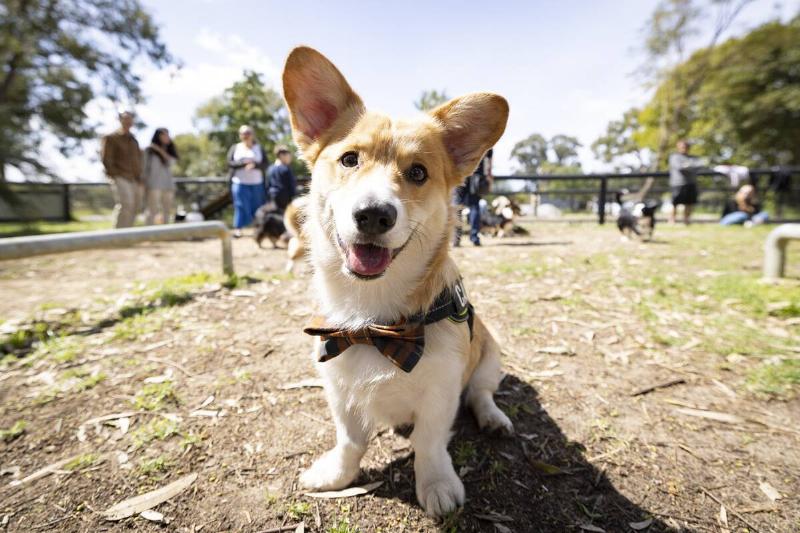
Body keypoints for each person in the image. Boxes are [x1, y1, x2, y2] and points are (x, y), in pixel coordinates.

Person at [101, 111, 143, 228]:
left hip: (135, 178)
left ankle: (128, 235)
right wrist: (114, 174)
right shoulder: (111, 138)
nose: (128, 122)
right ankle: (118, 235)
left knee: (135, 206)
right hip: (120, 176)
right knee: (126, 204)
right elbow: (106, 159)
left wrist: (140, 177)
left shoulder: (133, 140)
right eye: (126, 119)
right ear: (120, 120)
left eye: (130, 119)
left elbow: (138, 160)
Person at [227, 125, 268, 237]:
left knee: (257, 206)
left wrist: (254, 165)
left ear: (252, 134)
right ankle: (238, 229)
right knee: (240, 205)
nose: (246, 135)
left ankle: (257, 228)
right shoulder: (235, 147)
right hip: (239, 182)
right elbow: (230, 163)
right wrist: (243, 164)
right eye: (243, 133)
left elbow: (265, 164)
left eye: (248, 133)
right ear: (240, 135)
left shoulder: (259, 148)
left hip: (257, 183)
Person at [454, 148, 493, 246]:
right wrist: (488, 176)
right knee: (474, 206)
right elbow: (488, 162)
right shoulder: (486, 138)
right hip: (476, 176)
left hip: (461, 172)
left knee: (458, 205)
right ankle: (475, 238)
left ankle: (456, 238)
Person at [142, 128, 178, 224]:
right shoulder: (149, 151)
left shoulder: (170, 150)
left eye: (167, 134)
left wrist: (159, 150)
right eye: (163, 135)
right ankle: (148, 232)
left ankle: (165, 232)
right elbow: (144, 167)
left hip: (168, 184)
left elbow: (171, 162)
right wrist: (143, 182)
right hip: (153, 184)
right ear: (158, 136)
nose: (167, 137)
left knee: (167, 209)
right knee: (152, 209)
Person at [668, 140, 700, 225]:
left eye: (686, 147)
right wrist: (690, 166)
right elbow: (680, 167)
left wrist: (687, 166)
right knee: (675, 203)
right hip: (678, 183)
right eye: (682, 147)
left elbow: (698, 166)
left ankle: (686, 220)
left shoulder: (693, 158)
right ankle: (672, 220)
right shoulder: (674, 157)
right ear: (678, 148)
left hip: (691, 183)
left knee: (689, 203)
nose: (684, 148)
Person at [267, 145, 297, 211]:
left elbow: (268, 185)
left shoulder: (270, 169)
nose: (290, 158)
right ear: (281, 155)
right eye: (289, 156)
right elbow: (291, 186)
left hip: (272, 198)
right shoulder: (286, 169)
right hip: (285, 200)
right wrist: (294, 196)